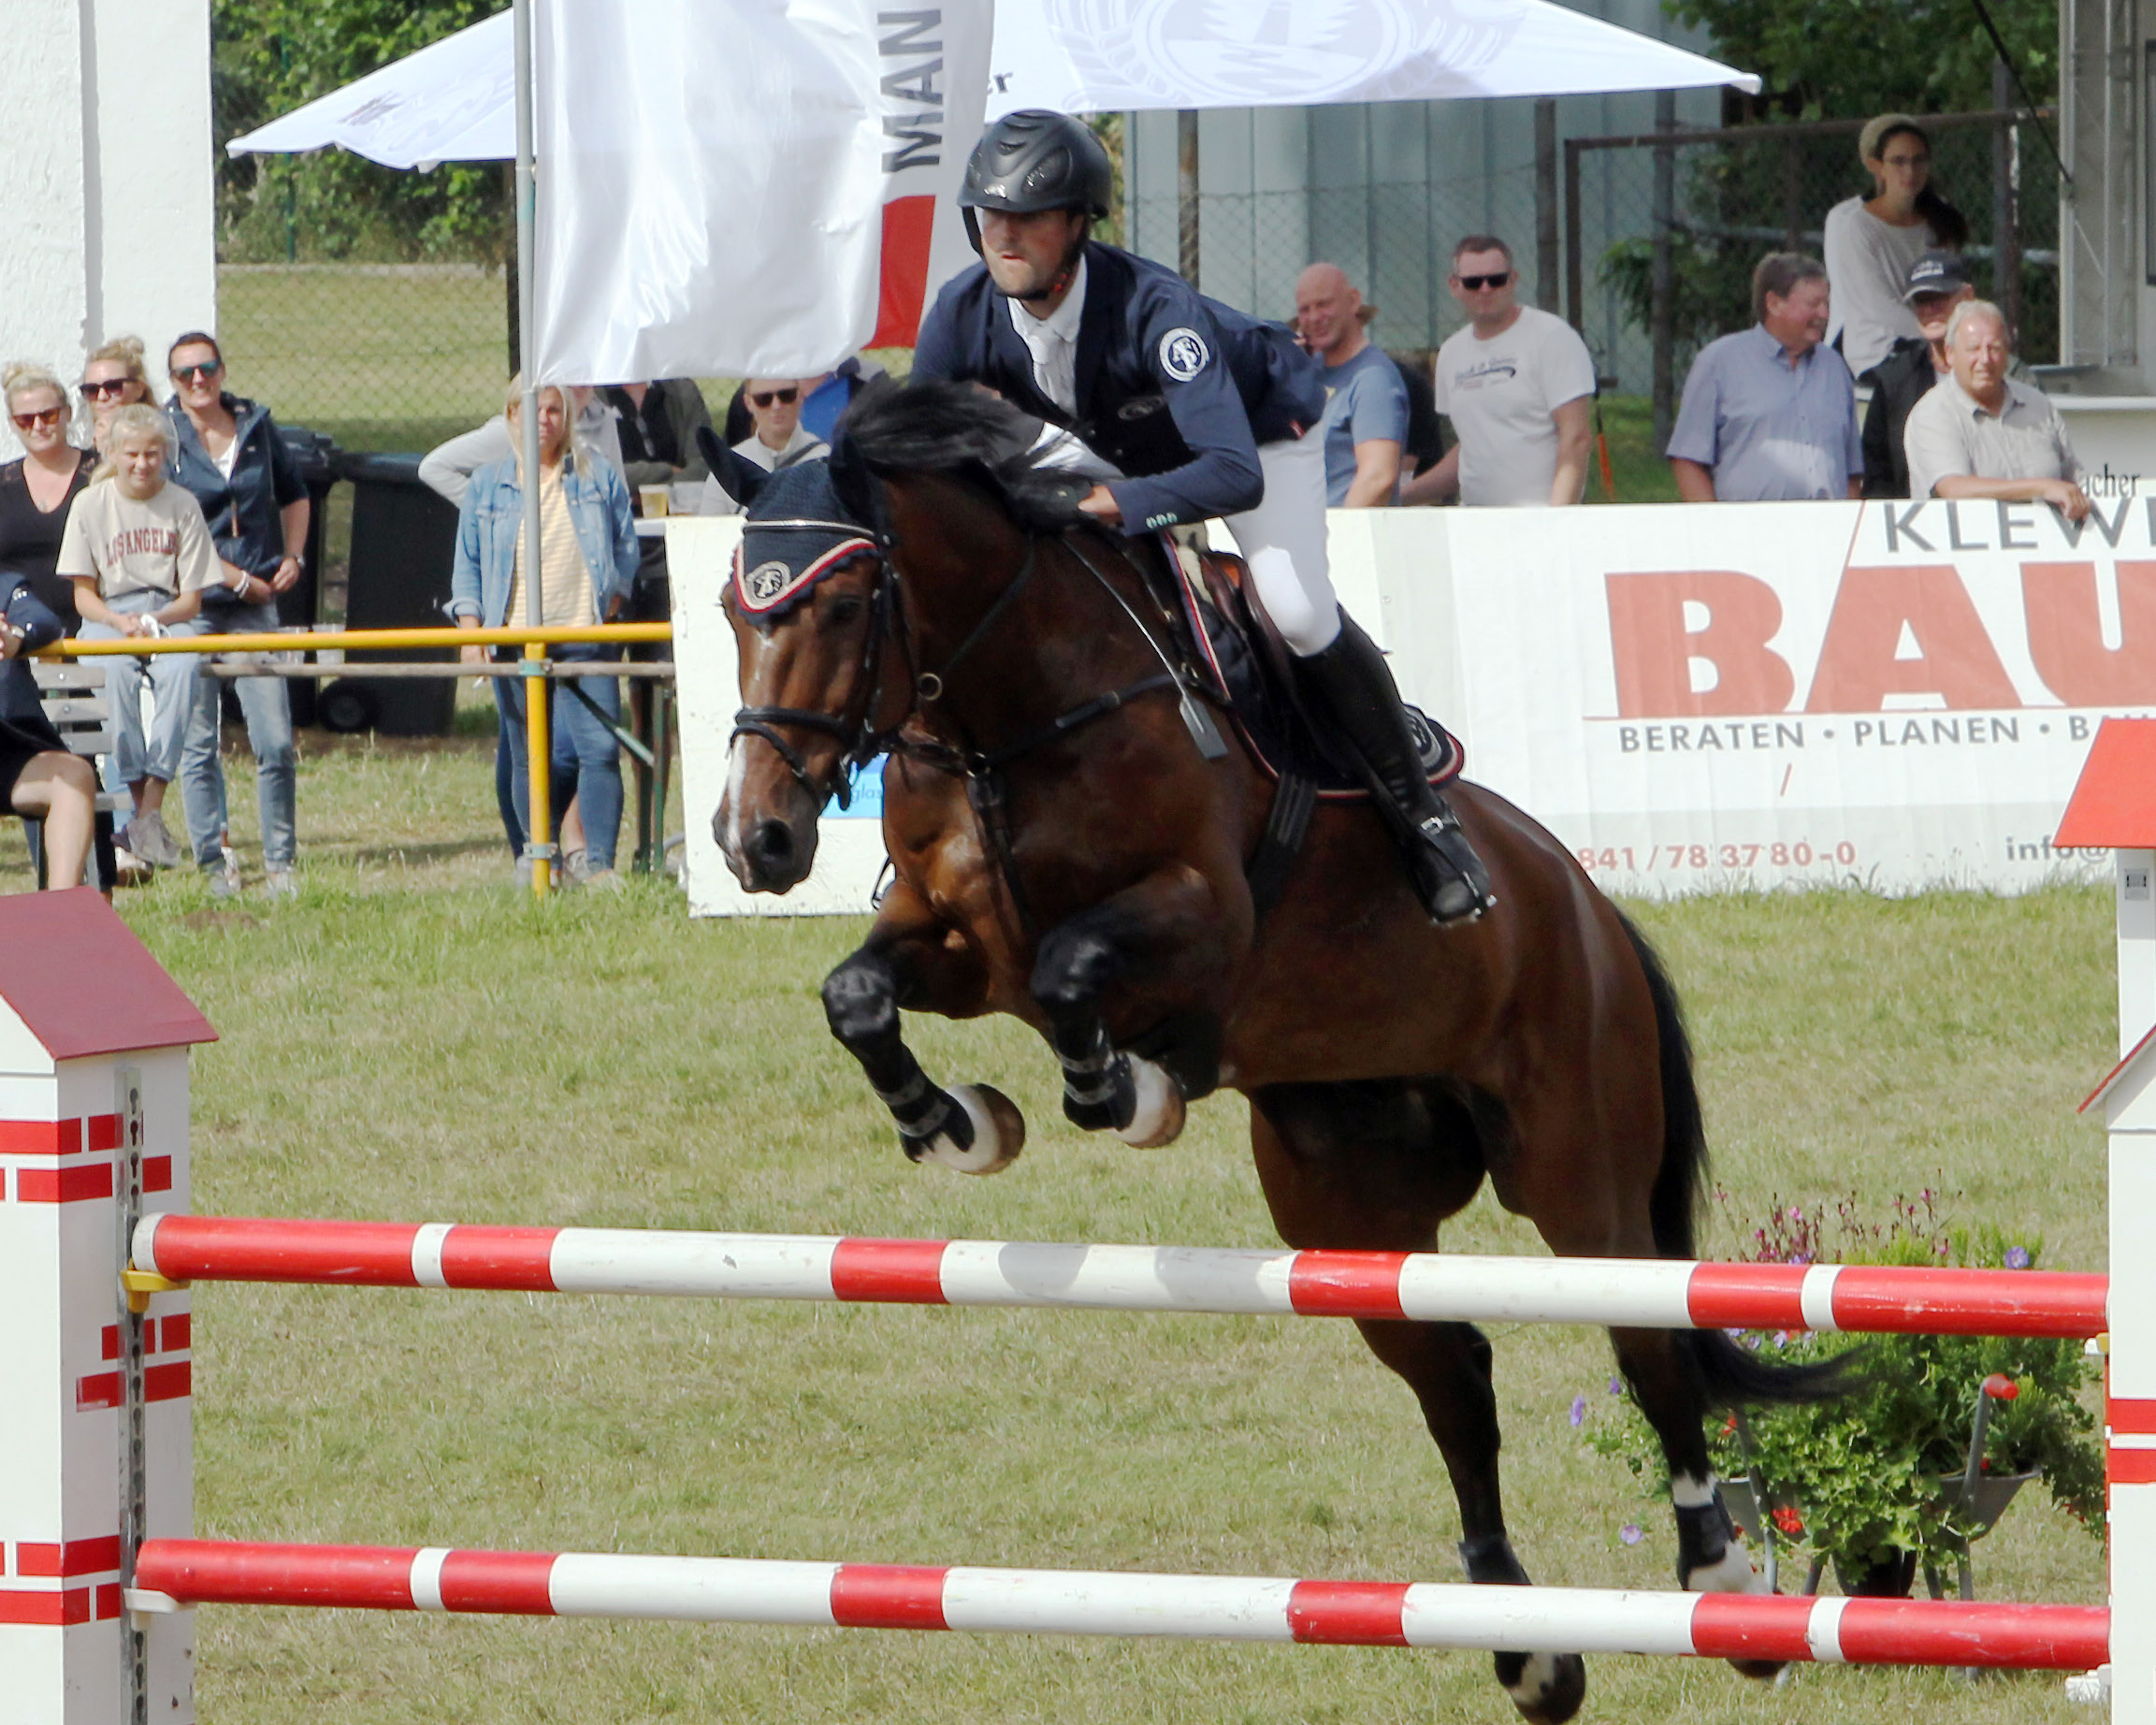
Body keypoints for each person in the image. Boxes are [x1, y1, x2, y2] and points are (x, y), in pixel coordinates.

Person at [912, 109, 1491, 922]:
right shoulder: (962, 310)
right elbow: (916, 445)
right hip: (1117, 440)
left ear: (1078, 224)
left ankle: (1426, 821)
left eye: (1029, 216)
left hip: (1259, 436)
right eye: (990, 213)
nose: (1004, 233)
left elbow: (1230, 474)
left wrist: (1097, 503)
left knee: (1292, 607)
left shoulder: (1157, 310)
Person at [450, 377, 640, 889]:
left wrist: (614, 594)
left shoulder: (595, 474)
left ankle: (598, 864)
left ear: (567, 417)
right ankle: (536, 858)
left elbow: (626, 541)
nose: (544, 420)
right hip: (516, 636)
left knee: (597, 749)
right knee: (530, 751)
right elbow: (467, 565)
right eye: (532, 410)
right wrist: (472, 632)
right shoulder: (488, 485)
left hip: (585, 633)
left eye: (554, 410)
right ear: (511, 415)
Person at [163, 332, 306, 900]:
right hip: (194, 603)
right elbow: (170, 526)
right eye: (185, 374)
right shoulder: (165, 437)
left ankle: (281, 863)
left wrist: (291, 556)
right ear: (172, 383)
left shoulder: (256, 426)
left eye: (207, 368)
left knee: (272, 738)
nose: (198, 381)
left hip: (256, 606)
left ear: (222, 370)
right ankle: (214, 865)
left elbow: (296, 493)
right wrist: (233, 578)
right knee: (199, 743)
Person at [57, 404, 217, 872]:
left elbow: (193, 598)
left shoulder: (182, 504)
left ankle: (152, 803)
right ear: (113, 453)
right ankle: (133, 797)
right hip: (110, 609)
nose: (142, 464)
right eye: (132, 454)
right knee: (112, 672)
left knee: (185, 665)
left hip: (167, 609)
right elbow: (83, 595)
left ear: (164, 454)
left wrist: (156, 619)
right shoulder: (91, 503)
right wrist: (118, 620)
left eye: (152, 454)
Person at [1409, 237, 1597, 508]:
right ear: (1454, 286)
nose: (1485, 289)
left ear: (1513, 279)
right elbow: (1471, 448)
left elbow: (1576, 436)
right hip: (1475, 521)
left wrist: (1557, 519)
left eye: (1496, 279)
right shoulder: (1451, 353)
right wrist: (1400, 495)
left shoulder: (1551, 337)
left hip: (1538, 518)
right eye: (1473, 282)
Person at [1668, 254, 1862, 503]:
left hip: (1827, 532)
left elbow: (1852, 469)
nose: (1824, 314)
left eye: (1827, 303)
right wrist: (1712, 530)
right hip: (1746, 532)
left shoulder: (1835, 367)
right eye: (1813, 304)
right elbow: (1688, 460)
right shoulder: (1720, 362)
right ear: (1774, 303)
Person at [1902, 300, 2090, 521]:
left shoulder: (2039, 405)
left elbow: (2075, 482)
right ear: (1950, 354)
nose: (1985, 359)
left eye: (1994, 348)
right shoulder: (1932, 414)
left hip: (2048, 549)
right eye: (1973, 349)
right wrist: (2041, 488)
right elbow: (1953, 488)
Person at [1822, 114, 1970, 377]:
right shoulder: (1853, 224)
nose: (1910, 172)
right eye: (1899, 161)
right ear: (1876, 166)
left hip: (1937, 347)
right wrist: (1940, 335)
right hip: (1880, 354)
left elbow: (1949, 291)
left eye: (1918, 161)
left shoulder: (1940, 219)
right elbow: (1877, 306)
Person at [0, 568, 98, 891]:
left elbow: (43, 621)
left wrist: (16, 637)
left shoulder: (7, 587)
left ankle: (61, 920)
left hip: (8, 754)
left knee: (74, 775)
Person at [1859, 251, 1975, 499]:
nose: (1930, 309)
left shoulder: (2008, 374)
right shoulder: (1893, 379)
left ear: (1967, 296)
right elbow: (1877, 474)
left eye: (1940, 298)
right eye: (1921, 300)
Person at [1293, 263, 1407, 507]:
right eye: (1305, 309)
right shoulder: (1309, 371)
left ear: (1353, 301)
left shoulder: (1373, 378)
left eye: (1324, 304)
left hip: (1347, 536)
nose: (1314, 317)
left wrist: (1340, 538)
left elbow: (1378, 477)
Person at [0, 363, 96, 629]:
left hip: (93, 627)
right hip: (14, 632)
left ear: (68, 413)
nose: (38, 426)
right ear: (12, 424)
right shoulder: (2, 482)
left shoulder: (101, 475)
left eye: (48, 415)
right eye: (26, 419)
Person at [697, 380, 832, 515]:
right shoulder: (728, 466)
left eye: (786, 395)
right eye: (763, 399)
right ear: (748, 403)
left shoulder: (825, 459)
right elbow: (709, 530)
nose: (776, 406)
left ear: (800, 397)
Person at [80, 336, 154, 456]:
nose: (102, 397)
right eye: (92, 389)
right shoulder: (80, 459)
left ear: (139, 388)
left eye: (113, 386)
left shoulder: (166, 444)